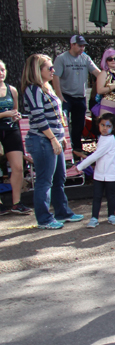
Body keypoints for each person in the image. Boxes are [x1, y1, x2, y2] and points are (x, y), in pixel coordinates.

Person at [21, 54, 83, 229]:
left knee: (59, 178)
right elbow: (39, 119)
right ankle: (44, 219)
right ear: (37, 70)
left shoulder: (46, 87)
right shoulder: (33, 90)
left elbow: (57, 116)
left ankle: (62, 212)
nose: (53, 71)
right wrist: (53, 139)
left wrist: (61, 138)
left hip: (54, 140)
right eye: (49, 68)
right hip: (42, 141)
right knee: (44, 180)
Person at [51, 35, 102, 157]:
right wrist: (59, 95)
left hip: (80, 96)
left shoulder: (85, 58)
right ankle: (65, 149)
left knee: (79, 124)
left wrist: (111, 82)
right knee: (64, 122)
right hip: (66, 95)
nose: (82, 48)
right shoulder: (62, 58)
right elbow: (55, 76)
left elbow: (97, 72)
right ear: (72, 45)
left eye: (83, 46)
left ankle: (77, 149)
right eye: (79, 45)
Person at [76, 113, 115, 227]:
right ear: (98, 125)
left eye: (108, 126)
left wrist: (80, 166)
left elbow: (96, 155)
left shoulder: (108, 140)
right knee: (98, 196)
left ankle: (110, 216)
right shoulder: (105, 138)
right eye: (102, 125)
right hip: (100, 173)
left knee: (110, 196)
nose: (105, 128)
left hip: (110, 173)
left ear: (113, 127)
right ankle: (95, 218)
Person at [0, 59, 30, 215]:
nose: (1, 73)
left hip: (11, 130)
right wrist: (4, 114)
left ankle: (16, 202)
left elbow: (15, 111)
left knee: (18, 167)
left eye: (2, 70)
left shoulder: (12, 90)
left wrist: (15, 116)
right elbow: (7, 112)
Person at [92, 48, 115, 148]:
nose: (113, 61)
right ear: (105, 60)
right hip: (107, 107)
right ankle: (105, 160)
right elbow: (99, 90)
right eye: (110, 59)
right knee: (106, 135)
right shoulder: (103, 73)